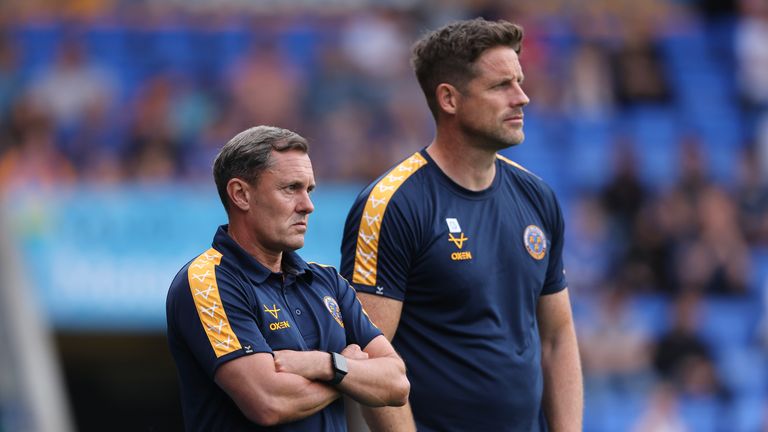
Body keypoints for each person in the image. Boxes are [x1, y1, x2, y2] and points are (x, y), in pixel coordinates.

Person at [340, 18, 583, 431]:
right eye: (500, 86)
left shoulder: (536, 197)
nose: (522, 97)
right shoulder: (393, 205)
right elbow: (365, 356)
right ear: (449, 99)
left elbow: (557, 338)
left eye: (519, 82)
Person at [166, 125, 409, 431]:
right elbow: (269, 402)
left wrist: (325, 364)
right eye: (291, 188)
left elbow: (397, 383)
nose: (307, 205)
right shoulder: (207, 281)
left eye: (309, 190)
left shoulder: (328, 282)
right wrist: (353, 372)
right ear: (241, 194)